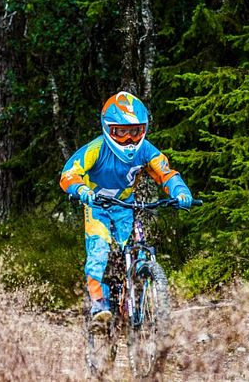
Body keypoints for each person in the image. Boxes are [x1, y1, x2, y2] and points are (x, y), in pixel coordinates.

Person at [59, 91, 193, 324]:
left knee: (130, 247)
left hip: (125, 207)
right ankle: (99, 305)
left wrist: (180, 191)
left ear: (144, 129)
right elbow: (69, 173)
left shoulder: (146, 150)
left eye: (135, 131)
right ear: (108, 128)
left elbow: (165, 173)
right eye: (121, 132)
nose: (129, 139)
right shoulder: (96, 149)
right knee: (99, 250)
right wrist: (81, 190)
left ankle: (136, 294)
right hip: (97, 206)